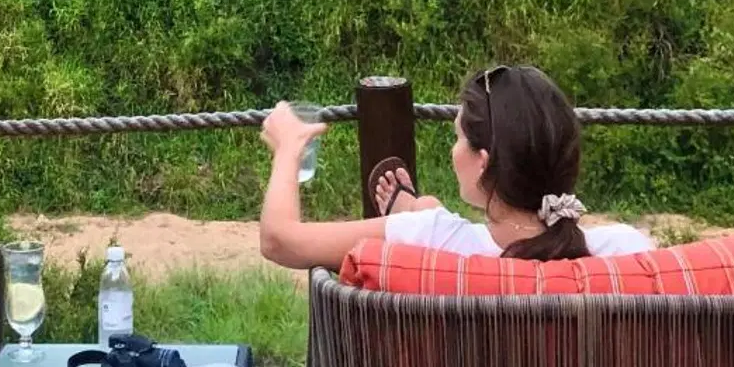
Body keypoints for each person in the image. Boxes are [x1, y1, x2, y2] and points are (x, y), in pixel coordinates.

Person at [258, 65, 654, 270]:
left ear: (483, 164)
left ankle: (411, 207)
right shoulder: (628, 250)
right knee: (426, 210)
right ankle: (414, 204)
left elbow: (280, 241)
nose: (454, 150)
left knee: (426, 215)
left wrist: (289, 149)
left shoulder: (430, 242)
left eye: (458, 137)